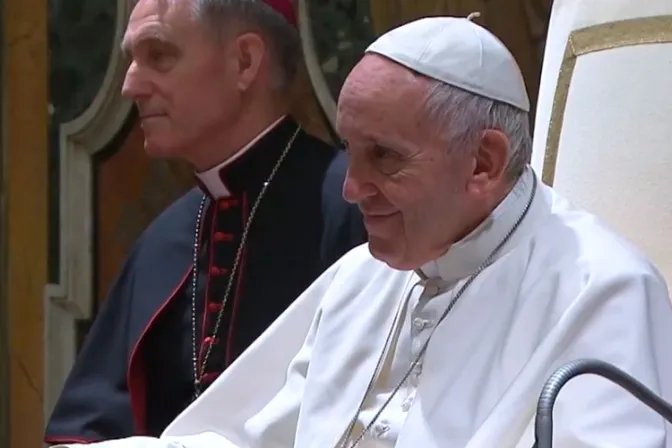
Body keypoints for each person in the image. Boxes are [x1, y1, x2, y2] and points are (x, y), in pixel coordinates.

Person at [52, 11, 672, 448]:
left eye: (385, 157)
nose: (350, 187)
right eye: (350, 151)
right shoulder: (362, 276)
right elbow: (240, 440)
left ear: (482, 163)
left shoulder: (602, 289)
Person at [44, 0, 366, 444]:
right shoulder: (161, 242)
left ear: (244, 62)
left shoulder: (363, 211)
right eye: (131, 60)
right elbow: (87, 425)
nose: (130, 85)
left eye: (159, 55)